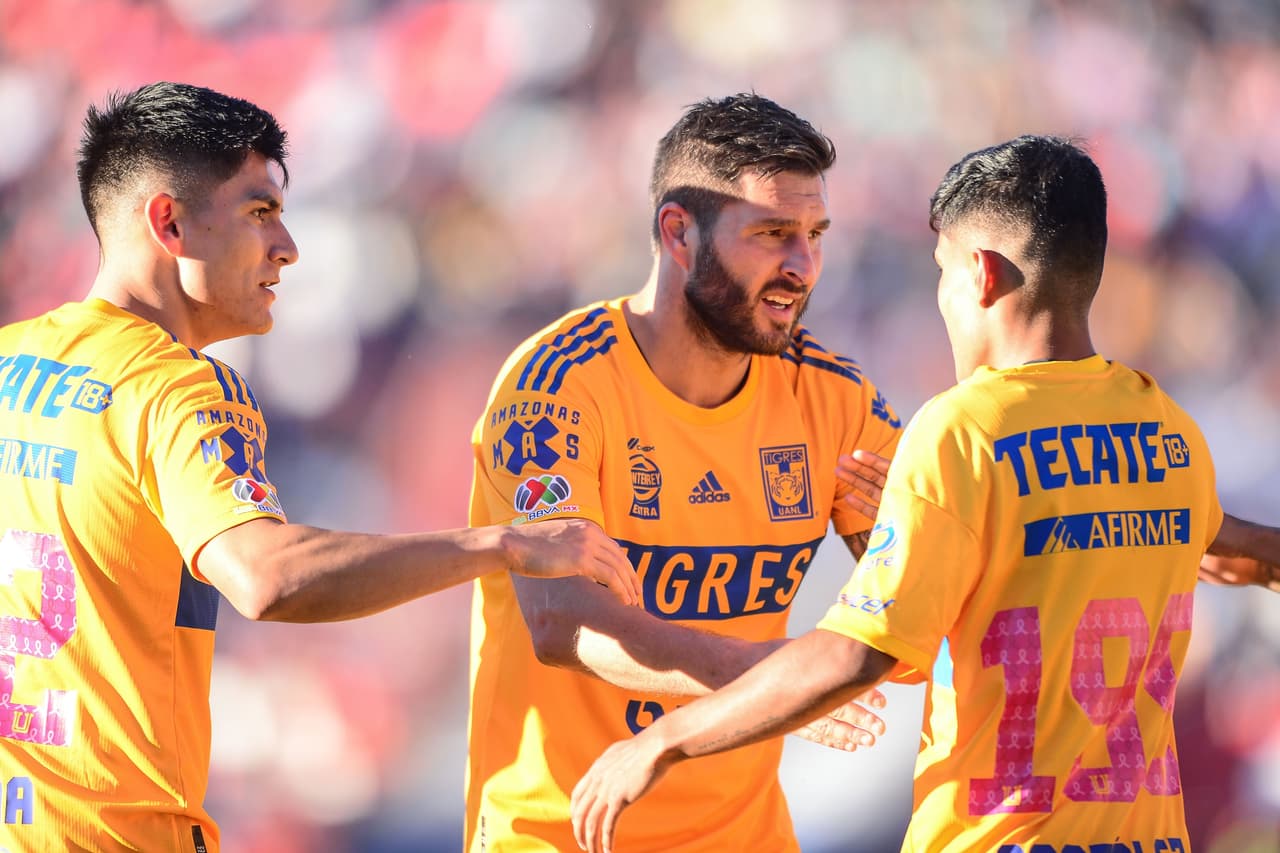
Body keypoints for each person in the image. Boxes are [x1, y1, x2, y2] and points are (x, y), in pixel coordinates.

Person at [569, 135, 1280, 853]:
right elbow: (1234, 551)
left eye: (941, 272)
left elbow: (854, 656)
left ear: (980, 275)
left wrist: (664, 740)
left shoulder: (962, 430)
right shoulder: (1168, 431)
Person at [0, 81, 641, 852]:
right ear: (168, 222)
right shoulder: (177, 386)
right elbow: (266, 576)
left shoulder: (13, 359)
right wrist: (500, 544)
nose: (287, 247)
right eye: (259, 212)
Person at [465, 93, 901, 852]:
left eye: (815, 235)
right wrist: (777, 674)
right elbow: (561, 618)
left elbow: (927, 581)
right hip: (559, 834)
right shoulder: (555, 388)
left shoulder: (834, 395)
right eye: (772, 233)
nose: (802, 266)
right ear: (678, 232)